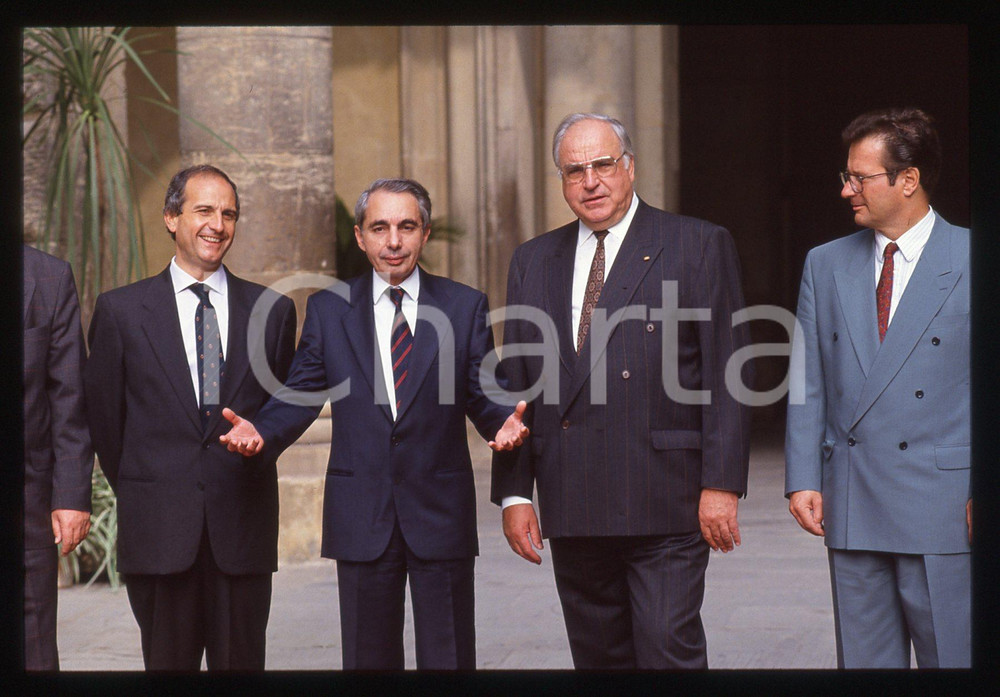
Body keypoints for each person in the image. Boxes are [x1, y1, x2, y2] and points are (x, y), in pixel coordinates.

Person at [220, 177, 528, 670]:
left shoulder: (463, 305)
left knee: (449, 660)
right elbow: (300, 392)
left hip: (439, 511)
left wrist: (500, 425)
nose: (394, 241)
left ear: (424, 233)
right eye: (379, 227)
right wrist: (262, 430)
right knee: (367, 662)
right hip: (361, 512)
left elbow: (481, 389)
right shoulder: (328, 309)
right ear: (361, 236)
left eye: (407, 226)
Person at [491, 113, 752, 669]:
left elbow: (729, 373)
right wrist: (515, 494)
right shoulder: (532, 260)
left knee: (666, 651)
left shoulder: (698, 244)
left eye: (603, 165)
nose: (591, 181)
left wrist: (721, 484)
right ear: (561, 181)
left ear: (629, 167)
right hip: (573, 497)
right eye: (574, 170)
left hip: (667, 497)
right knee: (598, 659)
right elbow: (518, 386)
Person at [83, 164, 297, 671]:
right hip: (159, 532)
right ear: (170, 218)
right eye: (203, 210)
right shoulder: (119, 312)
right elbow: (107, 425)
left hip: (242, 530)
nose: (217, 225)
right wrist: (154, 485)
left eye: (228, 214)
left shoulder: (273, 311)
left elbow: (280, 412)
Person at [785, 107, 970, 669]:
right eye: (846, 177)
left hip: (944, 505)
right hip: (852, 499)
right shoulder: (825, 263)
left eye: (859, 178)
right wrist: (801, 477)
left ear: (907, 179)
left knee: (954, 660)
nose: (846, 191)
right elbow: (806, 380)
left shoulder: (971, 257)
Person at [22, 244, 94, 671]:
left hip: (25, 500)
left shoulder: (48, 277)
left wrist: (70, 494)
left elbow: (69, 398)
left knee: (33, 648)